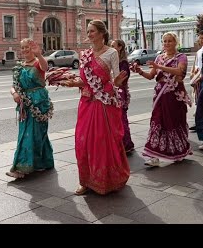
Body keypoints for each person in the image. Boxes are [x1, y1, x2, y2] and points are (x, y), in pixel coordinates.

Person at [62, 20, 130, 196]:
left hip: (103, 102)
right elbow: (83, 80)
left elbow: (115, 79)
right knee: (82, 141)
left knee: (101, 141)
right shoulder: (85, 54)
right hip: (86, 102)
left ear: (101, 33)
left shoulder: (112, 53)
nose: (89, 34)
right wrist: (71, 83)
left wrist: (117, 83)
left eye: (92, 31)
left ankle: (105, 179)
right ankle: (85, 181)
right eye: (88, 31)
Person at [132, 32, 192, 165]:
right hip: (160, 96)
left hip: (174, 96)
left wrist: (159, 67)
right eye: (164, 41)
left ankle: (178, 151)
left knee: (174, 122)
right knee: (157, 121)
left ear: (176, 42)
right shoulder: (159, 57)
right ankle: (153, 156)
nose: (167, 44)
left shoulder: (181, 57)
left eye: (170, 41)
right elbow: (151, 76)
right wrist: (140, 71)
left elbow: (179, 71)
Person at [7, 39, 54, 178]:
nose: (25, 50)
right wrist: (14, 93)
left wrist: (39, 55)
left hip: (39, 102)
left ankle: (30, 166)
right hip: (25, 105)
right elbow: (13, 86)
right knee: (26, 134)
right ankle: (28, 165)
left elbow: (45, 68)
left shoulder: (37, 63)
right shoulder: (19, 67)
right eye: (22, 47)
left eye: (27, 47)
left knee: (38, 134)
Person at [111, 39, 134, 154]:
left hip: (120, 93)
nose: (110, 47)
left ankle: (126, 144)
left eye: (113, 46)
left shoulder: (123, 63)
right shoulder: (114, 61)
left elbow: (122, 80)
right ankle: (120, 144)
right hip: (115, 92)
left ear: (120, 48)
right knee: (116, 119)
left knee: (121, 118)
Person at [189, 30, 203, 131]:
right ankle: (199, 121)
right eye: (199, 38)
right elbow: (196, 63)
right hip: (198, 77)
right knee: (197, 100)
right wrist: (192, 73)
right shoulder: (199, 51)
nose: (200, 40)